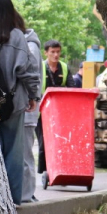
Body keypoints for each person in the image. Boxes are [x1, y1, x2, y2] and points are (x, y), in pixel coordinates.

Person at [0, 0, 40, 205]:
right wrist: (33, 95)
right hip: (12, 103)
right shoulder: (16, 36)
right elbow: (27, 70)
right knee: (14, 152)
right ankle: (13, 199)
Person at [36, 39, 72, 182]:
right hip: (42, 112)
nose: (56, 55)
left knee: (60, 142)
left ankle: (59, 170)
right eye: (52, 52)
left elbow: (72, 88)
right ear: (46, 53)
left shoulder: (64, 67)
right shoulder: (40, 67)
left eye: (58, 52)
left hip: (59, 113)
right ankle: (45, 172)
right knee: (43, 143)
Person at [20, 26, 42, 202]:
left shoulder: (30, 46)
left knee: (26, 153)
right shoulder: (26, 43)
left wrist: (32, 97)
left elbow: (33, 76)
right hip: (25, 108)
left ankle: (27, 194)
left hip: (28, 110)